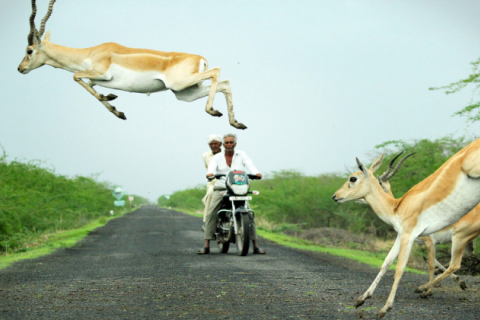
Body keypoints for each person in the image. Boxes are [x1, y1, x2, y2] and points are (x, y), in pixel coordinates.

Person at [198, 133, 266, 255]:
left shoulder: (241, 155)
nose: (229, 144)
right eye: (227, 143)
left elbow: (249, 165)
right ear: (223, 145)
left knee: (249, 214)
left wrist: (256, 173)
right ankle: (206, 245)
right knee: (211, 212)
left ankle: (256, 246)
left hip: (238, 187)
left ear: (235, 144)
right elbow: (212, 167)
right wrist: (210, 173)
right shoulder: (217, 157)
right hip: (221, 187)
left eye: (231, 142)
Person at [201, 134, 223, 230]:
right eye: (211, 144)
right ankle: (207, 222)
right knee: (210, 194)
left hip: (227, 181)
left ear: (220, 144)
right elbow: (207, 168)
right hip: (213, 182)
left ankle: (248, 219)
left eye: (216, 143)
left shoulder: (227, 153)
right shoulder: (205, 155)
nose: (214, 146)